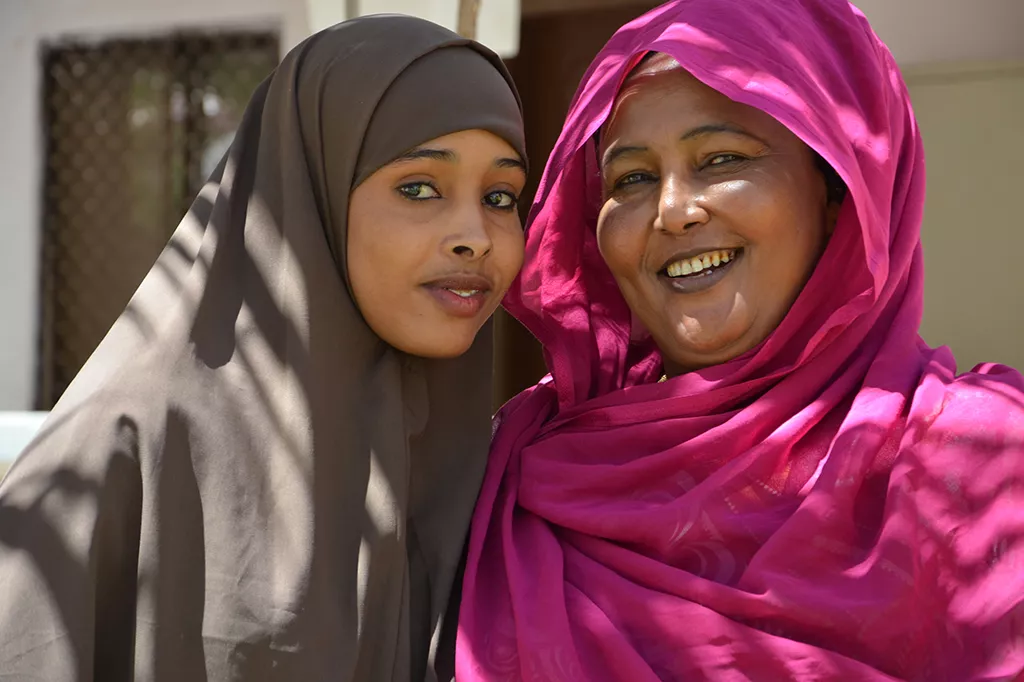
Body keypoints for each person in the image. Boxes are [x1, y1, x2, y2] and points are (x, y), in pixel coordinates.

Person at [456, 0, 1024, 679]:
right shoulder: (525, 474)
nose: (671, 211)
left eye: (722, 158)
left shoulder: (982, 459)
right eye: (631, 178)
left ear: (838, 192)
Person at [0, 14, 526, 682]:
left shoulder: (477, 464)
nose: (474, 236)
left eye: (502, 196)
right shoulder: (131, 445)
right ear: (315, 189)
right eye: (418, 187)